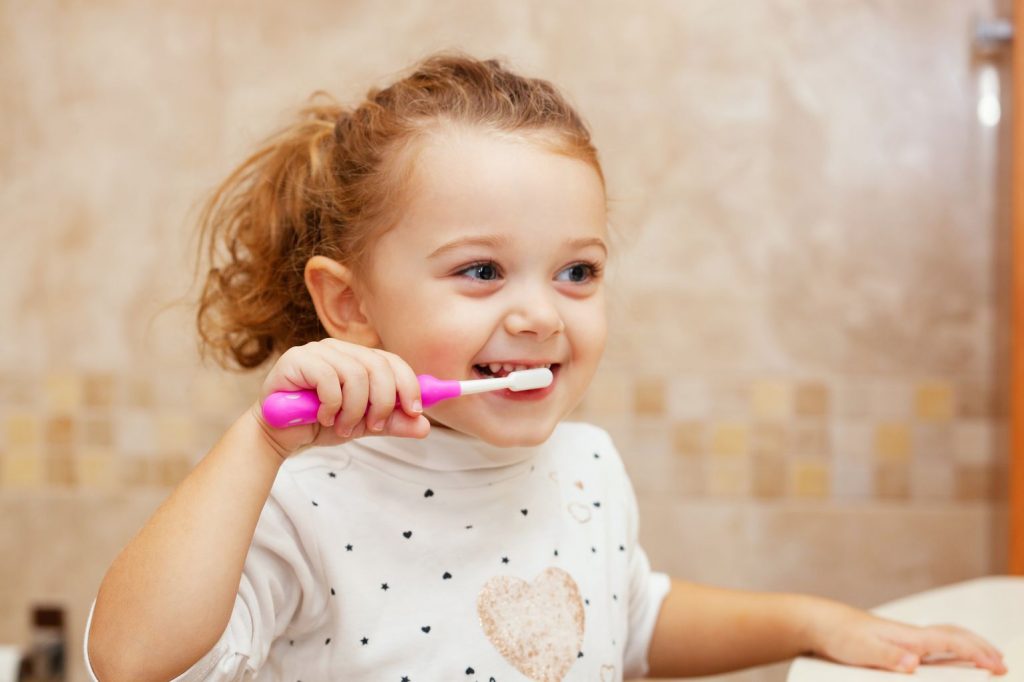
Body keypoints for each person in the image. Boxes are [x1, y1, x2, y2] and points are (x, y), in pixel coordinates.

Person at [84, 53, 1007, 682]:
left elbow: (632, 616)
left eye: (578, 272)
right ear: (350, 306)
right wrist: (256, 445)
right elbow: (131, 662)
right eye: (480, 272)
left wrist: (817, 623)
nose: (538, 313)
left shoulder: (586, 467)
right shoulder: (308, 495)